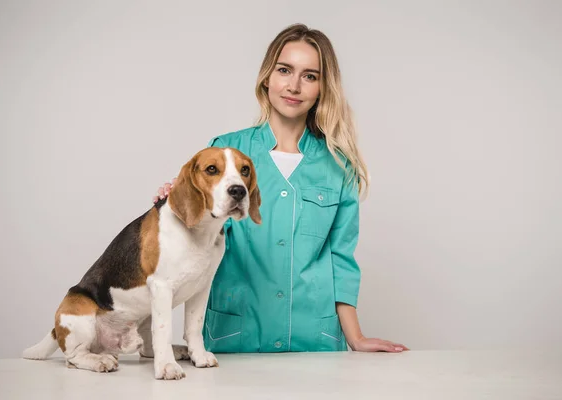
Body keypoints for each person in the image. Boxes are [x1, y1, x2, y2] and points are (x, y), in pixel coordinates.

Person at [154, 23, 408, 353]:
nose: (294, 85)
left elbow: (340, 258)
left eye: (310, 76)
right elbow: (197, 241)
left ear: (322, 87)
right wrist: (175, 208)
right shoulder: (226, 151)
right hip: (235, 337)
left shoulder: (338, 167)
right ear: (267, 77)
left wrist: (355, 338)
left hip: (314, 343)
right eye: (284, 70)